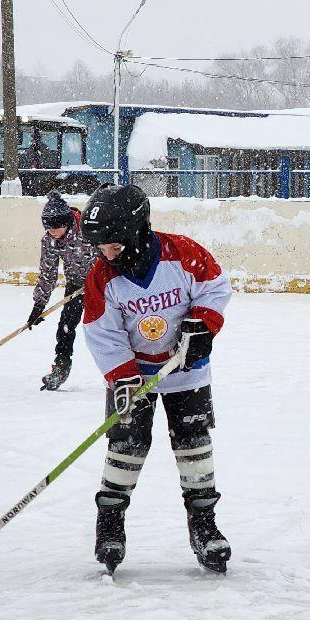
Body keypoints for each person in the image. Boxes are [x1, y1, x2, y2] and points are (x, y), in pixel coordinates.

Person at [79, 184, 233, 574]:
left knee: (194, 445)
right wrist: (123, 378)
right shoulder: (102, 277)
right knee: (126, 447)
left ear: (134, 232)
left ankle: (204, 523)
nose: (105, 253)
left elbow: (214, 286)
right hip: (134, 374)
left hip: (186, 372)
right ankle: (110, 522)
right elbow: (102, 331)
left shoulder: (182, 253)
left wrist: (202, 326)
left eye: (112, 245)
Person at [28, 191, 100, 391]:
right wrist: (39, 305)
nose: (53, 232)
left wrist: (101, 279)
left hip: (104, 284)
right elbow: (48, 273)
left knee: (109, 328)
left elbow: (110, 253)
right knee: (66, 326)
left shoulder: (89, 230)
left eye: (57, 228)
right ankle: (61, 367)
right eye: (48, 228)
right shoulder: (49, 240)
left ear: (67, 222)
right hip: (76, 285)